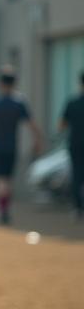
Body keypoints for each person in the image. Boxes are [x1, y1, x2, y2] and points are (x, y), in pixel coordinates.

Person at [0, 66, 42, 224]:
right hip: (12, 146)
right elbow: (32, 124)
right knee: (8, 179)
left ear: (0, 83)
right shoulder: (19, 102)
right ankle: (6, 209)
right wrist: (38, 139)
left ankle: (2, 209)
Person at [60, 71, 84, 219]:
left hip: (75, 143)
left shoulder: (72, 103)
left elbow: (61, 125)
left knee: (76, 175)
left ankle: (77, 208)